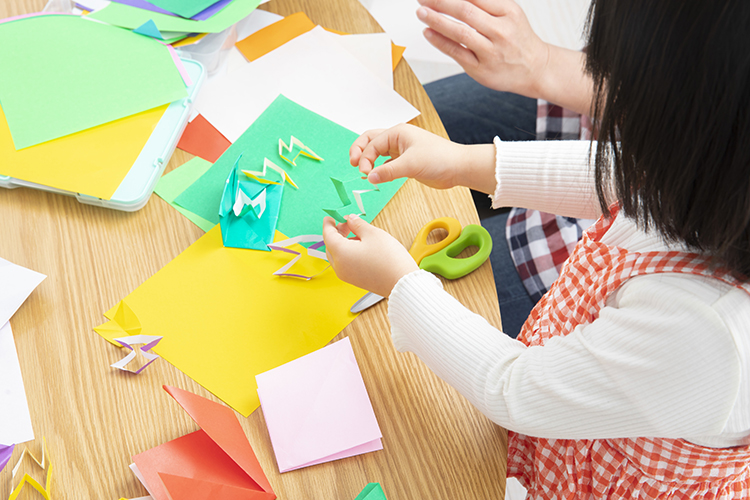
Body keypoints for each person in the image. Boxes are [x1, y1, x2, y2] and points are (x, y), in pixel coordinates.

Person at [322, 0, 750, 497]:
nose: (604, 110)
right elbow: (616, 175)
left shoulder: (709, 334)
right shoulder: (703, 182)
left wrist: (403, 285)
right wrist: (464, 162)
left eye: (628, 100)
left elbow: (512, 389)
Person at [418, 0, 598, 337]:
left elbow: (622, 180)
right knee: (411, 113)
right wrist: (540, 63)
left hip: (604, 248)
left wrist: (462, 163)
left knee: (404, 312)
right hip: (591, 102)